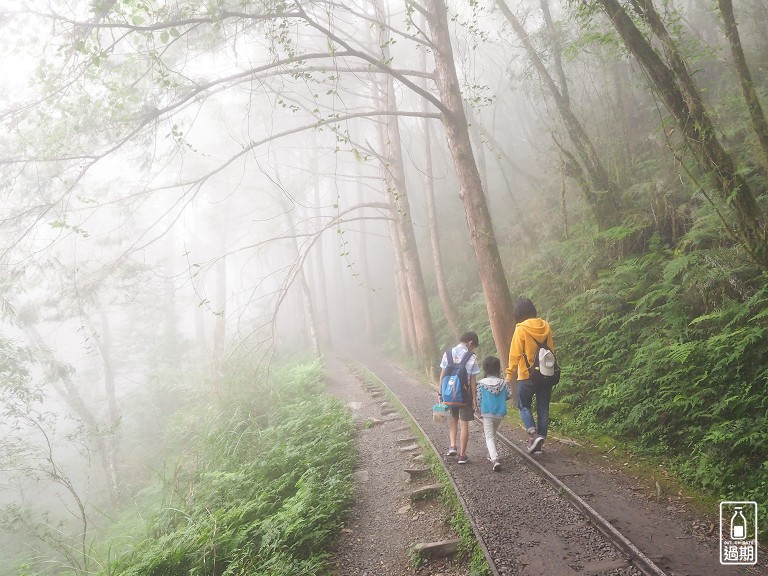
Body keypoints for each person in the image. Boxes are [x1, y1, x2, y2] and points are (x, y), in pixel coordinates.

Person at [505, 298, 555, 454]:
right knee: (543, 407)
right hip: (546, 374)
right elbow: (551, 351)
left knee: (523, 405)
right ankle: (540, 439)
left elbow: (515, 355)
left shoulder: (520, 329)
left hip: (527, 375)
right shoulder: (545, 326)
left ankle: (533, 435)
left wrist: (508, 375)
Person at [438, 331, 480, 464]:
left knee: (453, 419)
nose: (472, 349)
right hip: (464, 396)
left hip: (449, 393)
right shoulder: (471, 357)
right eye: (473, 346)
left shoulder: (448, 353)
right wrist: (474, 398)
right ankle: (462, 455)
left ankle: (452, 446)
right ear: (470, 342)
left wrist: (441, 393)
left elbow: (443, 374)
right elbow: (473, 379)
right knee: (464, 423)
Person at [476, 356, 509, 471]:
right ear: (498, 368)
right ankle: (493, 454)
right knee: (493, 434)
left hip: (487, 413)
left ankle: (495, 459)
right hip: (499, 413)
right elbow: (508, 395)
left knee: (489, 436)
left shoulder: (481, 383)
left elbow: (478, 398)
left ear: (485, 369)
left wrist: (478, 410)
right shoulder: (503, 383)